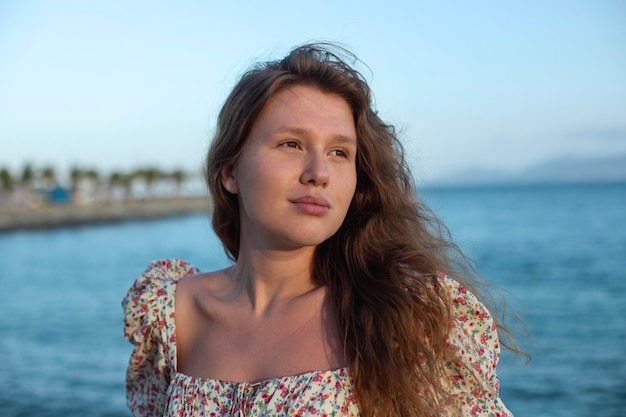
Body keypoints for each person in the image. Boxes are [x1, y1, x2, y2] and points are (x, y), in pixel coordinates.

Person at [123, 42, 522, 416]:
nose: (319, 173)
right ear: (230, 171)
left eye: (339, 153)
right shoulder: (170, 315)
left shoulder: (408, 317)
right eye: (291, 144)